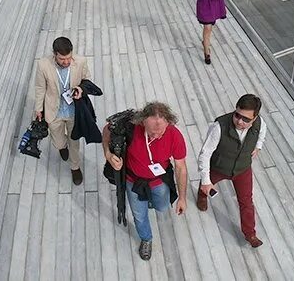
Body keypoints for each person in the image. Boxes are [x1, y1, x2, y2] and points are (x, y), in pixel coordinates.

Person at [102, 102, 188, 261]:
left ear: (168, 122)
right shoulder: (130, 126)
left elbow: (181, 167)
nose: (155, 136)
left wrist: (182, 198)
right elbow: (107, 129)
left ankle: (151, 201)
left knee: (162, 207)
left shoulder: (174, 135)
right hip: (133, 181)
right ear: (142, 122)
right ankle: (146, 239)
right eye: (151, 132)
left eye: (160, 132)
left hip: (158, 181)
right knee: (139, 216)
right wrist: (108, 154)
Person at [196, 94, 267, 247]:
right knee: (206, 184)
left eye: (246, 119)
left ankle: (250, 234)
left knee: (246, 202)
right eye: (237, 115)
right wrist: (206, 181)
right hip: (219, 166)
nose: (240, 121)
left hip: (242, 169)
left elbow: (262, 132)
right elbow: (205, 153)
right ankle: (202, 195)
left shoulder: (260, 123)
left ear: (255, 118)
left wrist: (258, 146)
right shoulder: (219, 126)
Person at [33, 36, 90, 185]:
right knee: (58, 142)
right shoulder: (43, 65)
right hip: (54, 111)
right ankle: (62, 146)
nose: (66, 62)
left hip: (73, 111)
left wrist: (81, 89)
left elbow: (87, 81)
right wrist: (38, 108)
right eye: (62, 59)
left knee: (74, 142)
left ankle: (75, 167)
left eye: (68, 58)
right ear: (55, 54)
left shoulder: (81, 61)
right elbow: (40, 87)